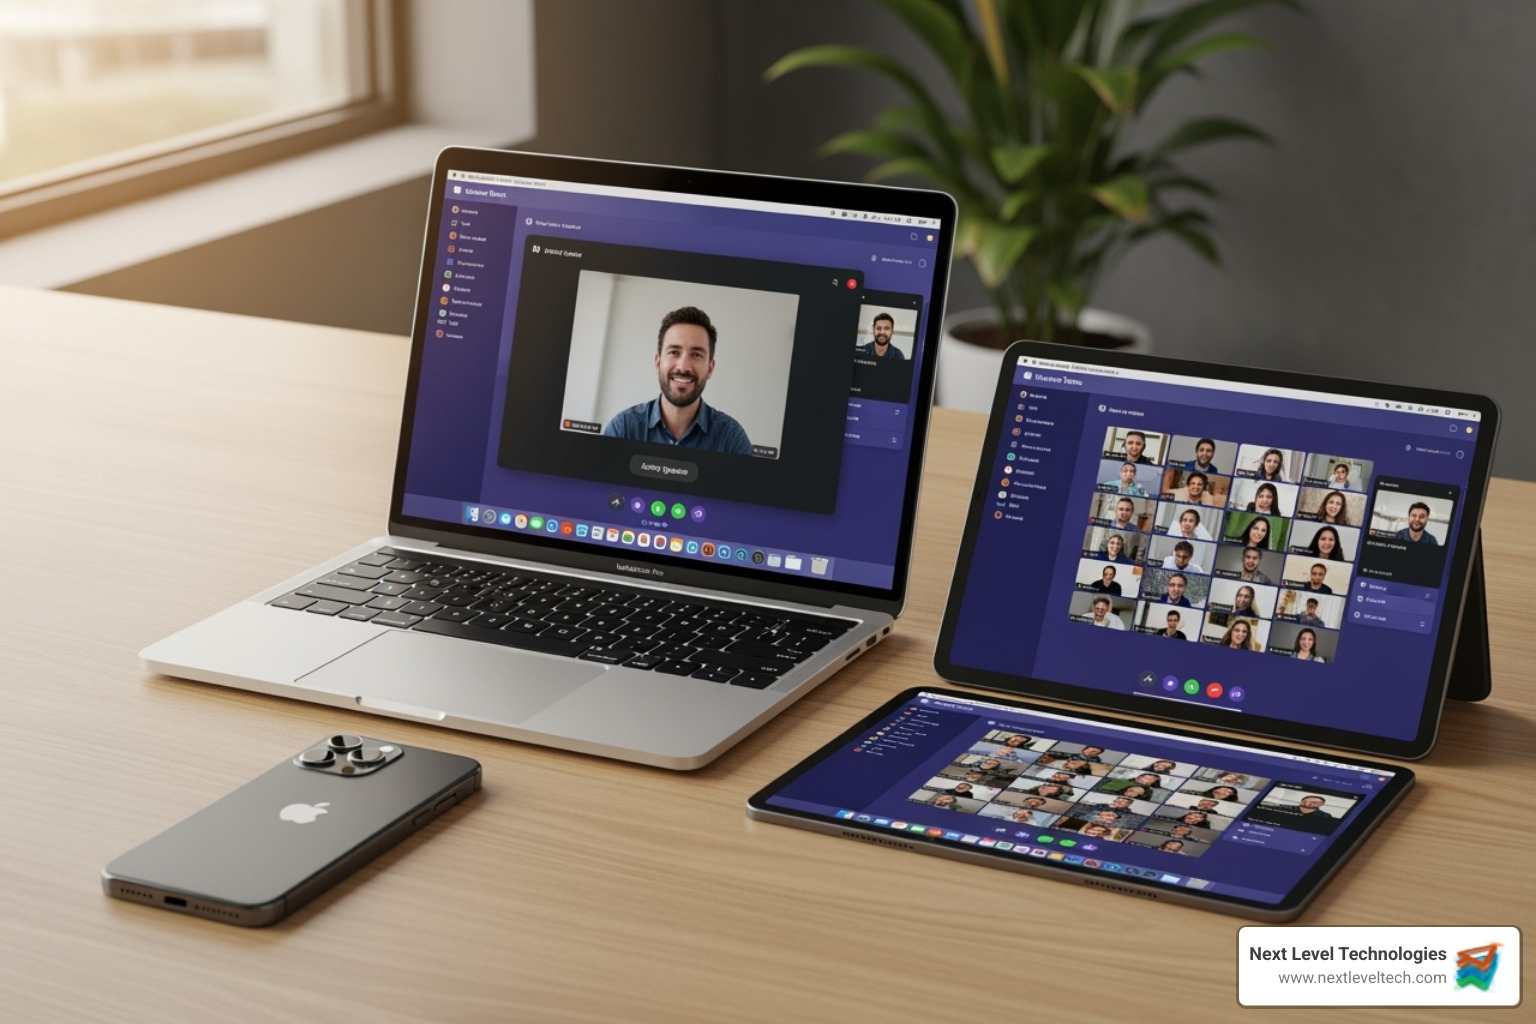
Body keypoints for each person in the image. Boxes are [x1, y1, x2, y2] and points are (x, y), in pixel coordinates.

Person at [603, 306, 752, 453]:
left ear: (710, 369)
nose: (683, 366)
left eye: (696, 354)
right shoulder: (622, 429)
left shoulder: (733, 440)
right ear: (658, 363)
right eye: (674, 352)